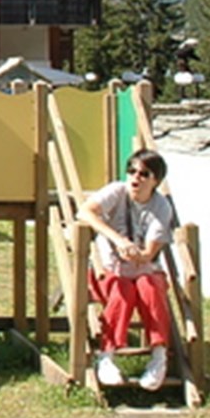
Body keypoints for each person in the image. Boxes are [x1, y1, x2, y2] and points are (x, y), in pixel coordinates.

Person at [78, 149, 175, 390]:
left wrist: (135, 254)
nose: (135, 178)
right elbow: (85, 211)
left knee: (150, 288)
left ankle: (159, 356)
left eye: (144, 174)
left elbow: (149, 253)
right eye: (131, 171)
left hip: (143, 269)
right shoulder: (117, 191)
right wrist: (118, 240)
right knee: (123, 291)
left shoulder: (161, 207)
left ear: (155, 180)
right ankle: (106, 355)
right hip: (109, 269)